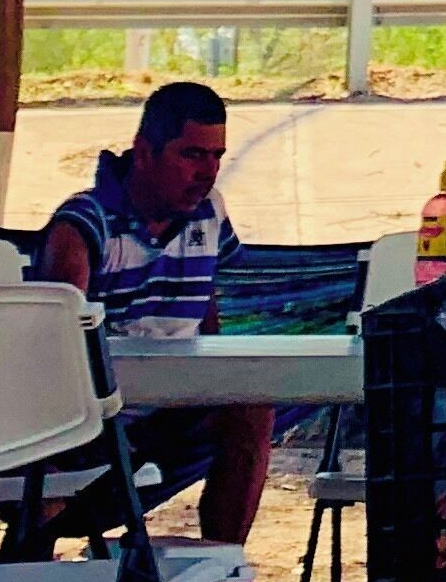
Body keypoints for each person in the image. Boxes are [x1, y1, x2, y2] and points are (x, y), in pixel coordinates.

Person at [38, 79, 272, 546]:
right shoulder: (84, 224)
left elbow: (207, 301)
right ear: (144, 153)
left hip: (168, 412)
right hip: (86, 424)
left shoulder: (210, 213)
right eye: (191, 155)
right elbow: (54, 346)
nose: (207, 172)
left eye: (216, 156)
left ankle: (220, 567)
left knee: (252, 408)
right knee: (46, 480)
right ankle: (31, 575)